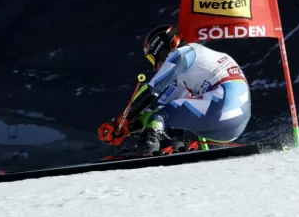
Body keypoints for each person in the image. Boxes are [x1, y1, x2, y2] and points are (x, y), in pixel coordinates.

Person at [99, 24, 252, 155]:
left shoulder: (184, 53)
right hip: (234, 123)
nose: (155, 66)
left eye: (153, 59)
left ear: (163, 49)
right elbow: (159, 110)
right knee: (169, 119)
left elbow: (153, 91)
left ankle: (148, 147)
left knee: (162, 116)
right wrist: (126, 128)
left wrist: (121, 121)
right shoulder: (189, 70)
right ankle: (180, 147)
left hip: (223, 104)